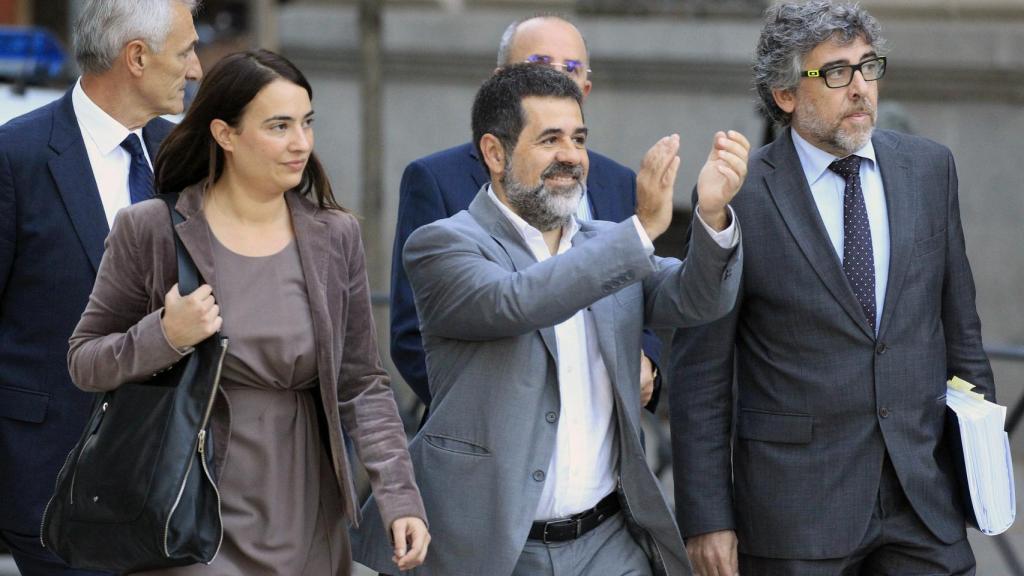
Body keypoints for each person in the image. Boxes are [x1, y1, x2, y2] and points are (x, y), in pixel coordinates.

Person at [353, 63, 748, 576]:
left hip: (610, 542)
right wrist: (640, 232)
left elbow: (698, 298)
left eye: (579, 138)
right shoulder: (443, 244)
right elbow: (518, 301)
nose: (571, 155)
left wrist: (713, 216)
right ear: (495, 153)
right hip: (493, 551)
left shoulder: (606, 244)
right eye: (550, 139)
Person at [66, 49, 429, 575]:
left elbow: (361, 384)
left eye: (306, 123)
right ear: (225, 134)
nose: (300, 143)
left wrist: (400, 498)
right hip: (189, 502)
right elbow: (85, 361)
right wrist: (165, 334)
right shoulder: (150, 229)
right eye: (279, 126)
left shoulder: (335, 235)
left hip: (307, 507)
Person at [671, 2, 995, 575]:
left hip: (923, 502)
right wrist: (707, 517)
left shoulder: (929, 169)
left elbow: (961, 332)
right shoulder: (738, 197)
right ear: (785, 93)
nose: (861, 88)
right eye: (836, 72)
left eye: (868, 66)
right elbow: (702, 374)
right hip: (796, 513)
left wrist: (982, 471)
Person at [0, 1, 202, 573]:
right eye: (186, 51)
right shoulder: (17, 156)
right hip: (53, 484)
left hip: (174, 486)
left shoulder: (187, 156)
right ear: (136, 57)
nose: (196, 70)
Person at [390, 16, 664, 417]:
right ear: (501, 82)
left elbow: (644, 294)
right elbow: (413, 333)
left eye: (571, 69)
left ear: (585, 88)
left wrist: (648, 361)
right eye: (539, 63)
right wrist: (491, 423)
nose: (558, 78)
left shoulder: (618, 181)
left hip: (602, 442)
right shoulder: (435, 179)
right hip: (498, 446)